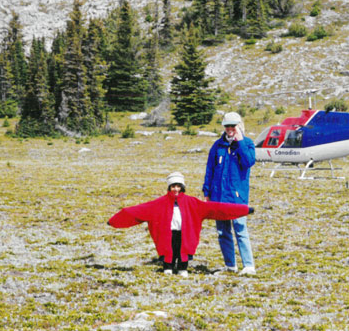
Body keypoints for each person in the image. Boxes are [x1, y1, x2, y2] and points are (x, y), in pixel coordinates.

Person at [108, 172, 254, 277]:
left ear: (182, 187)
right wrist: (115, 221)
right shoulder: (159, 203)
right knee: (168, 248)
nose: (176, 189)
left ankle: (183, 268)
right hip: (169, 233)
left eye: (178, 186)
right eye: (173, 186)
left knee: (182, 249)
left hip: (183, 234)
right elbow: (136, 211)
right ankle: (168, 267)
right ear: (169, 187)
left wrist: (244, 210)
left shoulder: (192, 203)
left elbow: (218, 209)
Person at [203, 112, 257, 275]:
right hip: (218, 196)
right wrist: (207, 192)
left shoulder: (247, 143)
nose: (230, 129)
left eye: (233, 126)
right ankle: (230, 265)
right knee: (222, 231)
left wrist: (239, 142)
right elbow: (209, 170)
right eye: (227, 126)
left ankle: (248, 266)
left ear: (239, 125)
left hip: (237, 196)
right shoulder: (217, 145)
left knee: (240, 228)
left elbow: (249, 162)